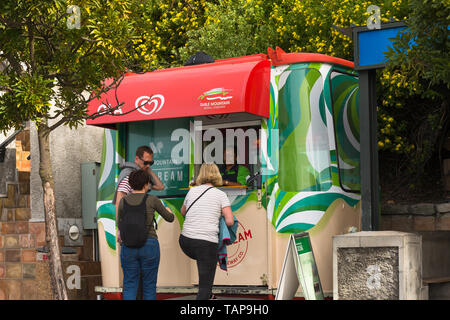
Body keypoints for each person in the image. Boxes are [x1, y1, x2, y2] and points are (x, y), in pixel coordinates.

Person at [179, 163, 235, 300]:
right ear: (217, 175)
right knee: (205, 285)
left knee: (203, 262)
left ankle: (209, 296)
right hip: (205, 244)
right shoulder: (220, 195)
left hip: (185, 242)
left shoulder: (192, 191)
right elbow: (230, 221)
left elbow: (183, 212)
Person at [117, 169, 174, 300]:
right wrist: (168, 210)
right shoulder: (152, 200)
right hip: (149, 245)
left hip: (128, 247)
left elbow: (120, 224)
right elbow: (170, 218)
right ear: (146, 184)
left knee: (130, 284)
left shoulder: (123, 202)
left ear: (131, 185)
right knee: (149, 286)